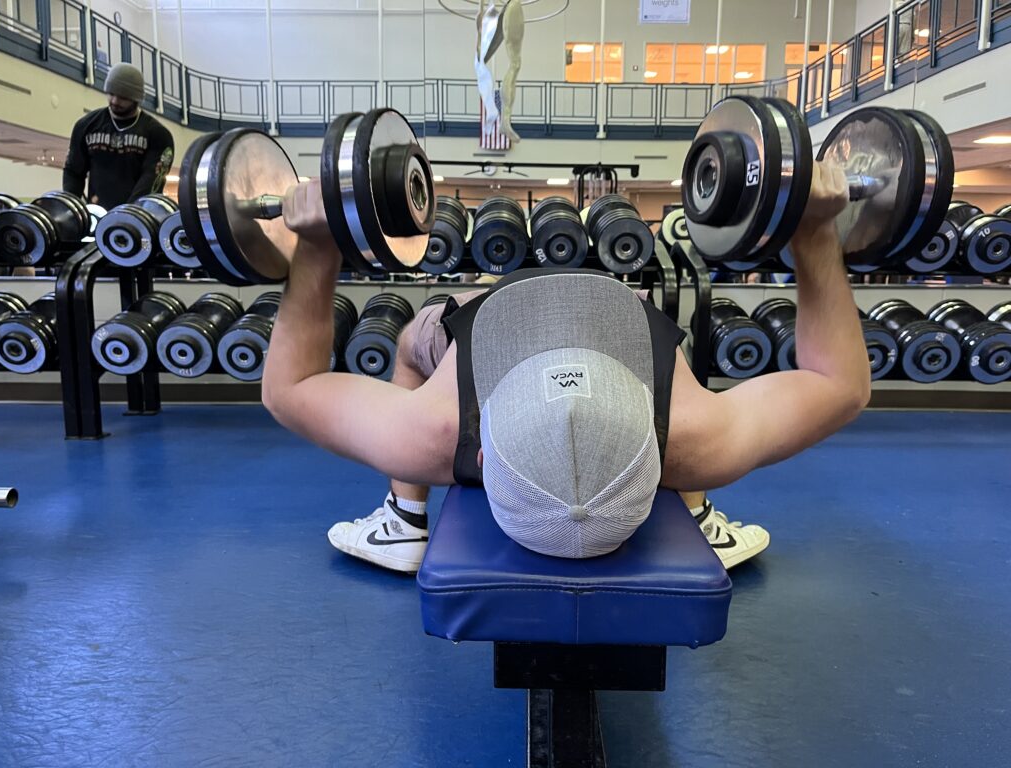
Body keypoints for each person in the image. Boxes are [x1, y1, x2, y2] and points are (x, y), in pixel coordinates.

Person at [262, 163, 870, 572]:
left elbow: (289, 389)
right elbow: (838, 383)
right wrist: (815, 232)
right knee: (679, 376)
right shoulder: (697, 439)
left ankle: (403, 522)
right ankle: (699, 517)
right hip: (573, 310)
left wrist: (316, 245)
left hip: (493, 308)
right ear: (663, 463)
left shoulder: (432, 431)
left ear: (475, 458)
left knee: (407, 349)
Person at [62, 63, 174, 211]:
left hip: (138, 219)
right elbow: (73, 171)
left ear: (136, 98)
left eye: (123, 97)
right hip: (97, 215)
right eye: (111, 94)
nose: (115, 101)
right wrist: (73, 209)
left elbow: (150, 183)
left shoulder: (157, 135)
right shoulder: (86, 126)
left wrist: (129, 214)